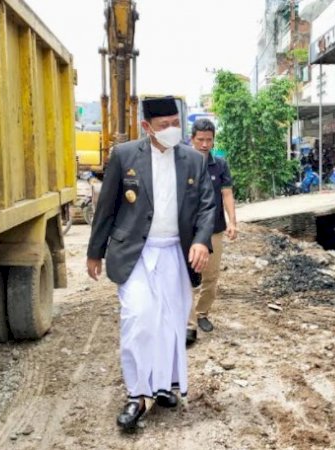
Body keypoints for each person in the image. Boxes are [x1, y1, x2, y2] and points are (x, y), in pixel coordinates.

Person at [86, 97, 216, 431]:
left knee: (170, 322)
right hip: (136, 253)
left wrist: (201, 240)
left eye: (176, 122)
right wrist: (94, 251)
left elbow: (206, 206)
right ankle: (137, 394)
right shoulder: (125, 156)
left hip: (175, 251)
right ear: (146, 127)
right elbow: (107, 208)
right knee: (139, 317)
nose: (172, 130)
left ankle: (163, 387)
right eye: (164, 125)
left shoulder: (192, 159)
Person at [186, 119, 237, 345]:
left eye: (209, 140)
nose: (205, 144)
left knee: (211, 276)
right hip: (187, 230)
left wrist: (232, 222)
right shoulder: (183, 164)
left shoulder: (220, 165)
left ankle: (202, 313)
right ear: (192, 139)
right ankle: (188, 323)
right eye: (200, 140)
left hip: (214, 230)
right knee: (186, 277)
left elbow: (227, 194)